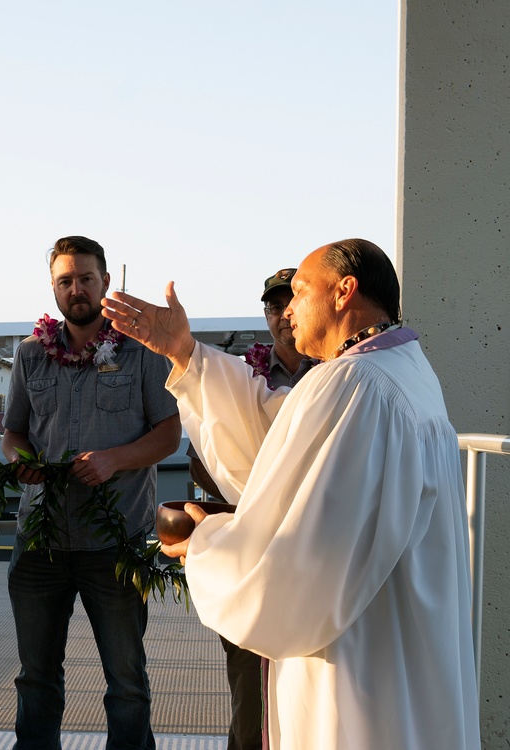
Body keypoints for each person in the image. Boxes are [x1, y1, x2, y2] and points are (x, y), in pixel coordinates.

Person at [102, 239, 481, 749]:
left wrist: (208, 547)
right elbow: (280, 434)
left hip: (360, 660)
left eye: (300, 291)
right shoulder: (402, 369)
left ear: (345, 292)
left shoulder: (355, 384)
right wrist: (184, 353)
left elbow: (300, 564)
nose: (290, 309)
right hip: (401, 634)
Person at [2, 236, 182, 749]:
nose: (76, 288)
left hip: (117, 544)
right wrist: (21, 463)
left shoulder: (141, 353)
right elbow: (13, 434)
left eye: (85, 278)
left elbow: (168, 433)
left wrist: (113, 461)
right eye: (65, 280)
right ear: (53, 288)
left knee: (126, 682)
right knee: (36, 679)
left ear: (105, 282)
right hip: (40, 544)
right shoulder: (31, 355)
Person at [189, 267, 317, 750]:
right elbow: (203, 459)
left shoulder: (336, 374)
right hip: (253, 547)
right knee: (249, 688)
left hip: (313, 547)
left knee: (312, 683)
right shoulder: (241, 378)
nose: (284, 314)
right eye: (273, 305)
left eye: (292, 302)